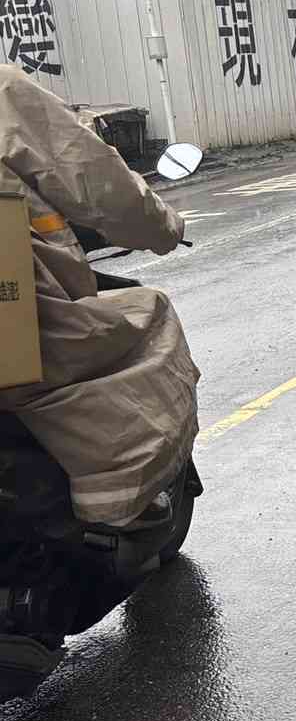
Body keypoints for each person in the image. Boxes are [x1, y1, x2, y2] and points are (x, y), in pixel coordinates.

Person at [0, 66, 199, 528]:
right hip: (20, 326)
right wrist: (163, 227)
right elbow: (92, 174)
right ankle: (115, 506)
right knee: (144, 317)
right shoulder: (5, 91)